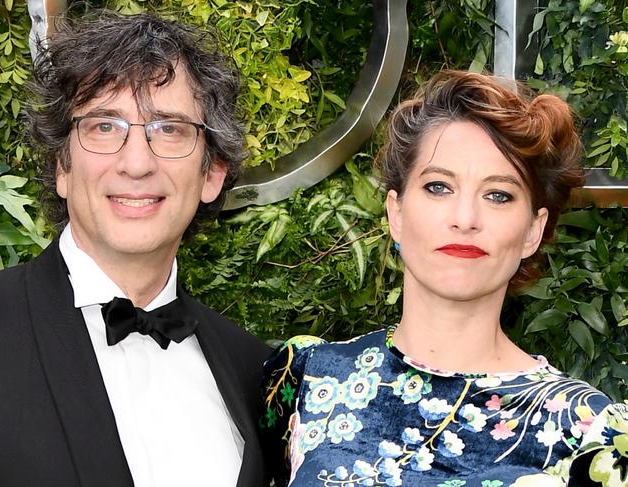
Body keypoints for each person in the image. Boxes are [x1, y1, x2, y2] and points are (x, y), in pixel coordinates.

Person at [261, 70, 624, 486]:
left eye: (498, 195)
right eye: (438, 187)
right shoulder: (306, 373)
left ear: (532, 231)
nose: (465, 218)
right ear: (395, 213)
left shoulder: (590, 431)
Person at [0, 10, 271, 487]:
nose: (136, 164)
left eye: (170, 129)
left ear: (212, 174)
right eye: (104, 126)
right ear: (61, 165)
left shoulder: (256, 373)